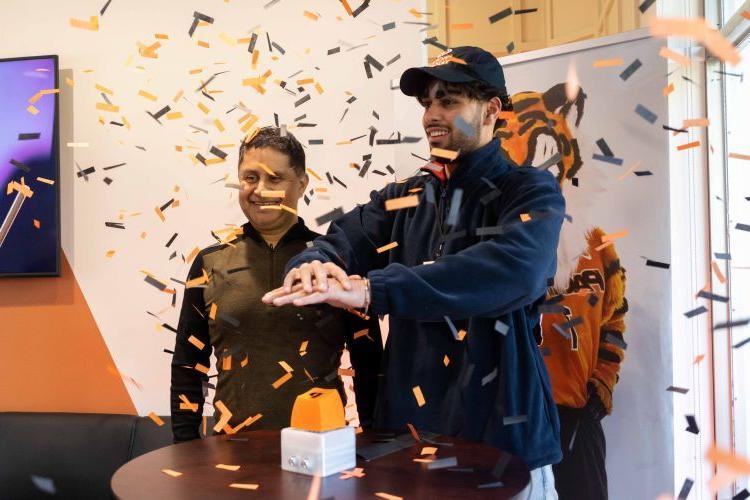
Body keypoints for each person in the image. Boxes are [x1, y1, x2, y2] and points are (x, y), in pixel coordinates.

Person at [264, 46, 565, 498]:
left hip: (506, 448)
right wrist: (313, 264)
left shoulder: (529, 191)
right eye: (427, 102)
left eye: (449, 100)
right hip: (412, 446)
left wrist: (373, 290)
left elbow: (511, 271)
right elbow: (340, 240)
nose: (432, 115)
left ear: (492, 110)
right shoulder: (405, 196)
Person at [170, 126, 380, 442]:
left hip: (322, 450)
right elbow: (189, 365)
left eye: (275, 179)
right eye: (251, 177)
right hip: (231, 451)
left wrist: (374, 442)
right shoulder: (210, 262)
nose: (260, 189)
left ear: (302, 183)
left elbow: (370, 364)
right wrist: (184, 447)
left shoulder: (336, 263)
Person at [500, 82, 628, 500]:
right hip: (510, 424)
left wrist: (598, 391)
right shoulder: (486, 249)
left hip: (575, 418)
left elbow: (614, 318)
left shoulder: (596, 248)